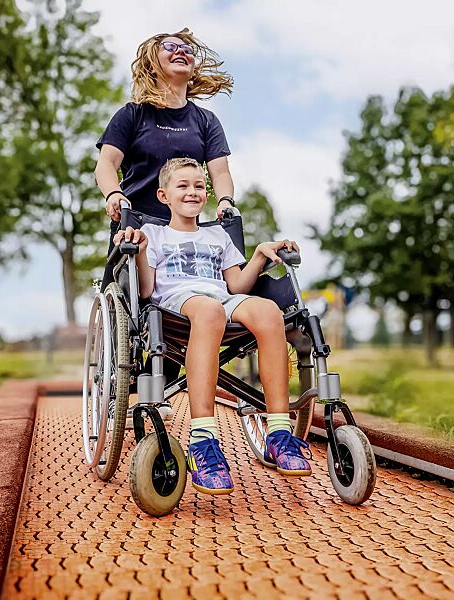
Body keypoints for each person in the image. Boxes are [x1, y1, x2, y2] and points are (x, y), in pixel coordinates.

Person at [112, 158, 312, 495]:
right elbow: (146, 291)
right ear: (164, 196)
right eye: (183, 186)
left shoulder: (218, 235)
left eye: (199, 186)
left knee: (268, 311)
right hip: (177, 303)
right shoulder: (153, 234)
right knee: (208, 311)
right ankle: (203, 439)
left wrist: (260, 255)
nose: (193, 192)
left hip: (222, 299)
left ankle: (279, 432)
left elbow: (236, 286)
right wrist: (141, 252)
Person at [95, 28, 237, 421]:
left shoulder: (205, 121)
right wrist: (113, 195)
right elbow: (106, 165)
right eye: (170, 48)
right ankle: (122, 387)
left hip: (186, 232)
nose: (181, 52)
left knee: (178, 308)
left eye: (186, 49)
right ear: (152, 63)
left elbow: (220, 171)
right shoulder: (132, 115)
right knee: (136, 309)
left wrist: (224, 200)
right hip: (136, 226)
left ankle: (161, 390)